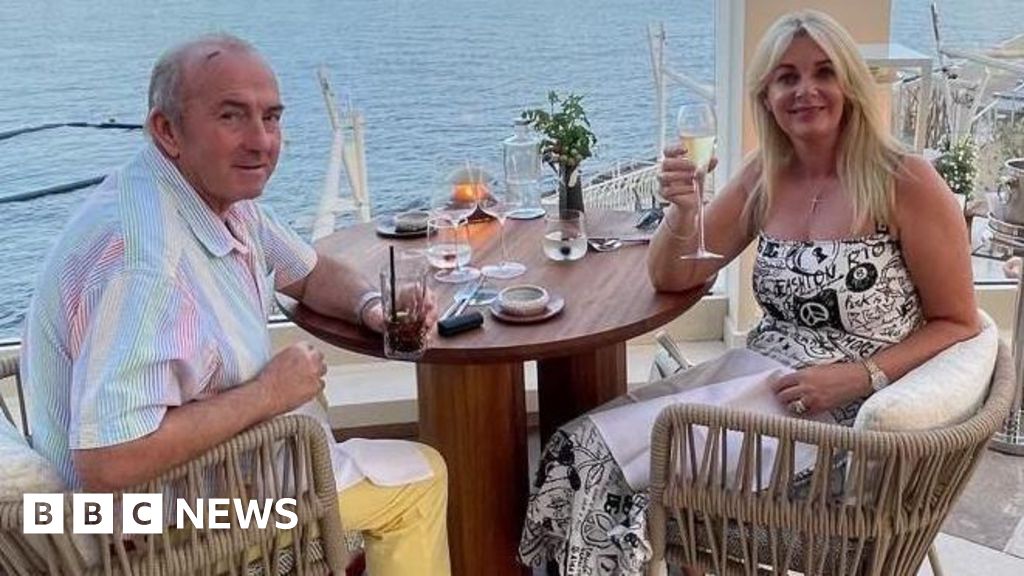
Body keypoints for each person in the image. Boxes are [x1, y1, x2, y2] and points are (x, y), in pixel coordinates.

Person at [520, 9, 979, 576]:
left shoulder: (904, 180)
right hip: (753, 381)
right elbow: (672, 277)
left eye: (824, 72)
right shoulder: (766, 174)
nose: (805, 90)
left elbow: (959, 321)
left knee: (611, 473)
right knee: (572, 448)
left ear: (851, 85)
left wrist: (861, 377)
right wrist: (683, 212)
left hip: (837, 419)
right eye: (787, 77)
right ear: (766, 96)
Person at [21, 34, 450, 576]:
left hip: (193, 487)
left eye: (271, 118)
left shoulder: (201, 193)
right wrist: (268, 393)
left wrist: (372, 305)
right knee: (418, 477)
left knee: (344, 461)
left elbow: (310, 273)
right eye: (232, 116)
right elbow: (108, 462)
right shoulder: (147, 268)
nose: (261, 142)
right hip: (139, 527)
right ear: (167, 130)